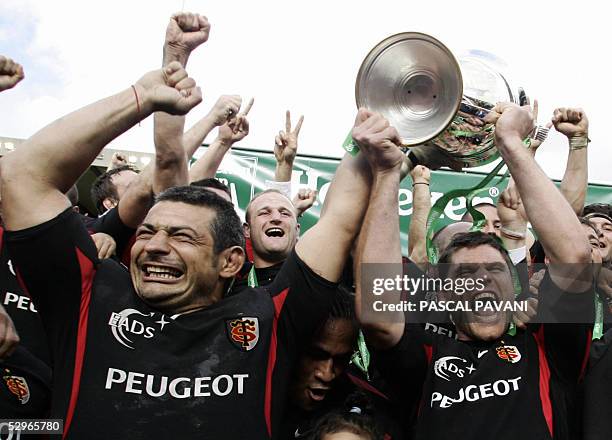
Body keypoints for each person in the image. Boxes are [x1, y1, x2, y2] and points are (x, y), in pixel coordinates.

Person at [357, 102, 595, 440]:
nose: (483, 278)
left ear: (513, 287)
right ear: (442, 294)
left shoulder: (545, 347)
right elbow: (378, 312)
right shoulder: (426, 357)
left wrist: (512, 143)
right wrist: (385, 173)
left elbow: (574, 255)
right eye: (466, 273)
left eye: (495, 269)